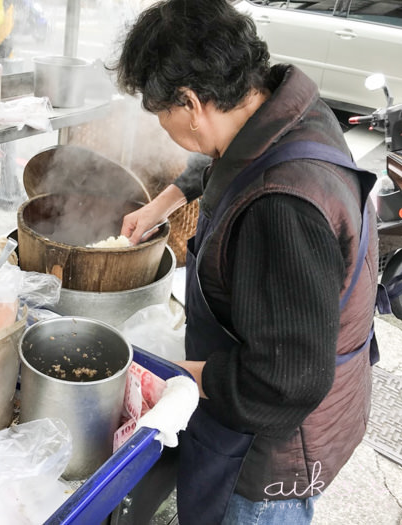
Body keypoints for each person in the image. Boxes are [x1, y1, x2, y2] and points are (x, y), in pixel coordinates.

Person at [112, 0, 381, 524]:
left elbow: (286, 382)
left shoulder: (278, 208)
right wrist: (162, 202)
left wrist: (169, 378)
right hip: (316, 389)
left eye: (161, 112)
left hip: (274, 449)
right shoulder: (284, 110)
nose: (164, 126)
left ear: (189, 103)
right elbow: (223, 156)